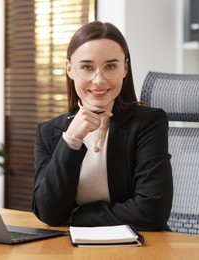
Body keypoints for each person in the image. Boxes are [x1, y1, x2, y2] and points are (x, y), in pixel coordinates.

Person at [32, 21, 173, 231]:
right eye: (87, 67)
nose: (99, 79)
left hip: (140, 245)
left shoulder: (148, 123)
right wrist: (71, 141)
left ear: (125, 68)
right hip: (71, 248)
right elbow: (48, 212)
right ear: (70, 69)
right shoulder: (49, 132)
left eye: (111, 66)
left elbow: (151, 212)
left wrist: (79, 216)